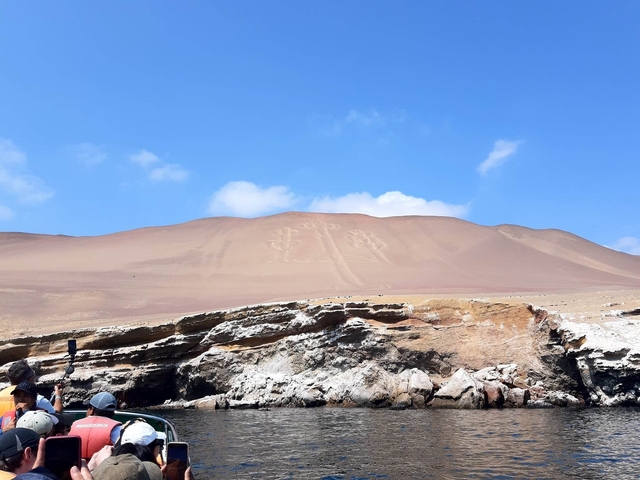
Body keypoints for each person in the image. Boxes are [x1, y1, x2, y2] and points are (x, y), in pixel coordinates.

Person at [69, 393, 122, 460]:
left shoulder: (74, 425)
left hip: (76, 468)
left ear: (91, 410)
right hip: (102, 469)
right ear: (113, 413)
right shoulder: (117, 429)